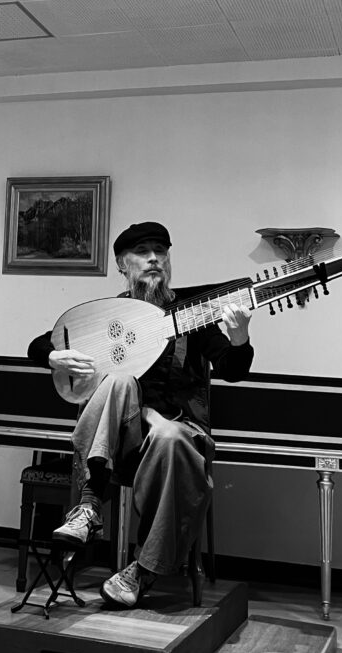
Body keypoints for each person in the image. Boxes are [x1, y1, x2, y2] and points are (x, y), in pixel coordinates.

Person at [27, 220, 253, 610]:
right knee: (119, 382)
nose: (153, 259)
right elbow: (39, 343)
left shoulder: (191, 315)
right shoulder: (109, 317)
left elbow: (232, 369)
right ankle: (89, 506)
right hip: (121, 443)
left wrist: (240, 338)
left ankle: (142, 570)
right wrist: (52, 357)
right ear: (122, 264)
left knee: (169, 436)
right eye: (142, 253)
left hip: (177, 438)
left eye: (160, 252)